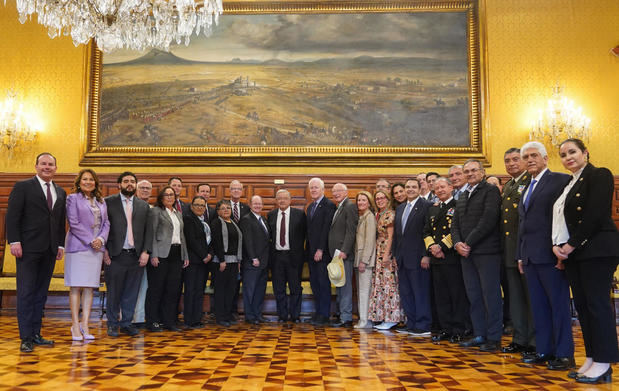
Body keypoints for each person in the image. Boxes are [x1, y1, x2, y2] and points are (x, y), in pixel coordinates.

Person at [553, 138, 619, 383]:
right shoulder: (569, 183)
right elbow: (562, 221)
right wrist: (559, 247)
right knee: (583, 307)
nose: (568, 157)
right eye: (563, 154)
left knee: (598, 307)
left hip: (598, 250)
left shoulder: (599, 174)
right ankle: (592, 357)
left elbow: (595, 214)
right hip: (577, 253)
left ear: (585, 153)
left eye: (572, 152)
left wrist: (570, 245)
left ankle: (604, 361)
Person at [515, 141, 574, 370]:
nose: (530, 160)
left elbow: (565, 217)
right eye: (526, 157)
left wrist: (562, 250)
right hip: (530, 257)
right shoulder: (526, 186)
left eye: (534, 156)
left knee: (558, 306)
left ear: (545, 158)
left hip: (552, 256)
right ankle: (544, 350)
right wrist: (520, 255)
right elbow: (523, 223)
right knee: (538, 307)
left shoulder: (560, 180)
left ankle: (564, 354)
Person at [6, 153, 66, 352]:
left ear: (56, 168)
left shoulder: (60, 191)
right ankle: (25, 338)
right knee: (26, 293)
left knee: (40, 294)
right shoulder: (22, 187)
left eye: (51, 164)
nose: (47, 167)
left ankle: (36, 334)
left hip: (49, 250)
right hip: (28, 249)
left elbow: (59, 221)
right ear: (36, 166)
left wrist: (60, 245)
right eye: (43, 164)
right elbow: (12, 216)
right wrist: (14, 241)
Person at [452, 159, 503, 352]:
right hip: (466, 253)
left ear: (482, 172)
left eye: (474, 170)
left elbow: (489, 219)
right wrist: (457, 243)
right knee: (474, 295)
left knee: (491, 296)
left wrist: (468, 242)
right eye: (467, 171)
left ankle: (494, 337)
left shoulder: (490, 191)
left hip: (486, 251)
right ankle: (479, 333)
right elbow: (455, 223)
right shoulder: (464, 194)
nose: (470, 174)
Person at [64, 169, 110, 341]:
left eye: (91, 179)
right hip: (79, 247)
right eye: (85, 179)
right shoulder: (72, 199)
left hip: (96, 249)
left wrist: (100, 239)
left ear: (95, 182)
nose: (88, 182)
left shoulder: (101, 201)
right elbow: (73, 223)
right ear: (79, 181)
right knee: (76, 286)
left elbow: (106, 223)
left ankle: (85, 324)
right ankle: (75, 325)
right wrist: (91, 240)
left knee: (90, 287)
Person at [104, 172, 151, 337]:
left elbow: (148, 232)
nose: (129, 184)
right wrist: (105, 251)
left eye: (132, 181)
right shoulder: (108, 202)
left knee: (131, 292)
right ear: (119, 184)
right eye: (126, 181)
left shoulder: (144, 206)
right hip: (115, 255)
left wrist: (146, 252)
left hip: (136, 256)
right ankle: (112, 323)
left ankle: (126, 323)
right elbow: (103, 228)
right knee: (114, 292)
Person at [423, 178, 468, 343]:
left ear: (451, 187)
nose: (439, 191)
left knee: (456, 295)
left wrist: (441, 246)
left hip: (451, 257)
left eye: (442, 187)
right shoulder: (433, 209)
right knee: (440, 296)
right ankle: (445, 328)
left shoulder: (458, 206)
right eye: (436, 189)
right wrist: (433, 247)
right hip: (436, 259)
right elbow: (426, 231)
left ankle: (458, 329)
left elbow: (458, 230)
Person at [500, 148, 535, 355]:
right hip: (509, 250)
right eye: (507, 161)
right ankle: (520, 338)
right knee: (515, 298)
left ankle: (533, 341)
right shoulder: (509, 185)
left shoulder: (530, 182)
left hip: (525, 249)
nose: (512, 163)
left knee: (530, 298)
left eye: (516, 159)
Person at [146, 186, 189, 332]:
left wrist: (185, 255)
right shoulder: (156, 211)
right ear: (161, 197)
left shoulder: (178, 213)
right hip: (161, 254)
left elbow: (182, 235)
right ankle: (153, 321)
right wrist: (154, 254)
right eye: (167, 195)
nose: (170, 197)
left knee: (173, 289)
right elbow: (151, 233)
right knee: (157, 289)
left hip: (177, 254)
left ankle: (168, 321)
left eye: (172, 195)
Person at [393, 178, 431, 336]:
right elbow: (397, 234)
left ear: (420, 188)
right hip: (402, 258)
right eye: (407, 187)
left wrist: (425, 255)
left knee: (420, 291)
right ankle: (412, 322)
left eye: (413, 187)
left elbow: (427, 232)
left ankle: (423, 324)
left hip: (418, 258)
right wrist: (395, 254)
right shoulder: (401, 208)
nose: (410, 189)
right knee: (406, 292)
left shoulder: (426, 206)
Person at [268, 190, 307, 322]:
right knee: (279, 288)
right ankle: (282, 315)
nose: (282, 201)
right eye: (279, 199)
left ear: (290, 200)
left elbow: (305, 236)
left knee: (295, 288)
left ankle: (295, 315)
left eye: (285, 198)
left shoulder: (300, 215)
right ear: (276, 201)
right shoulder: (271, 215)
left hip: (294, 257)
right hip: (277, 257)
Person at [368, 190, 403, 329]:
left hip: (386, 251)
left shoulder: (390, 214)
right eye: (377, 198)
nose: (380, 200)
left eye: (383, 198)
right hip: (378, 250)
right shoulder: (378, 214)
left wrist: (387, 254)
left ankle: (392, 318)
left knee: (389, 285)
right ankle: (383, 316)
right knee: (381, 285)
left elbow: (391, 236)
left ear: (388, 199)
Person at [305, 178, 336, 326]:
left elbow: (326, 229)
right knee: (315, 284)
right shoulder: (310, 206)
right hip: (311, 253)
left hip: (322, 253)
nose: (313, 190)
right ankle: (318, 313)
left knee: (323, 284)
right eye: (311, 188)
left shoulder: (329, 205)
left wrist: (320, 249)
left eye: (316, 188)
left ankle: (324, 315)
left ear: (323, 189)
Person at [328, 183, 359, 327]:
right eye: (333, 191)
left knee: (345, 287)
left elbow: (351, 231)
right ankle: (341, 315)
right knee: (339, 285)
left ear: (346, 192)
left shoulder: (350, 207)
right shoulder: (339, 207)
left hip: (343, 254)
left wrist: (345, 250)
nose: (335, 193)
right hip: (337, 254)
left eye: (339, 191)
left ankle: (346, 318)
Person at [182, 196, 213, 329]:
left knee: (199, 290)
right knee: (191, 290)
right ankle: (189, 320)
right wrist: (203, 255)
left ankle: (197, 318)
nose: (200, 207)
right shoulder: (188, 219)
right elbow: (191, 240)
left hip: (204, 262)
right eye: (197, 205)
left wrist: (210, 254)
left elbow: (211, 240)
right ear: (192, 206)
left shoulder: (205, 221)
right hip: (194, 261)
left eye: (202, 205)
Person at [210, 199, 242, 326]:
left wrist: (238, 261)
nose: (226, 210)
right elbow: (216, 242)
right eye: (223, 208)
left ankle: (228, 315)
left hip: (234, 262)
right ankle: (220, 317)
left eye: (228, 208)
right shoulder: (216, 223)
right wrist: (222, 260)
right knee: (221, 290)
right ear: (218, 211)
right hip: (220, 262)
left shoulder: (234, 223)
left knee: (231, 290)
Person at [239, 195, 270, 324]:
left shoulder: (263, 218)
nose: (258, 206)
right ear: (250, 205)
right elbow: (247, 241)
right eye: (255, 203)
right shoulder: (246, 219)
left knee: (259, 290)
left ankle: (258, 314)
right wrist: (253, 257)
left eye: (260, 203)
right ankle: (250, 316)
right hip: (253, 262)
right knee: (250, 290)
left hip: (264, 262)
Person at [353, 191, 376, 329]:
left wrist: (364, 261)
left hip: (365, 261)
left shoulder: (370, 217)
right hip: (358, 259)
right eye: (359, 200)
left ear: (369, 202)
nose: (360, 202)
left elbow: (369, 241)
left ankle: (365, 321)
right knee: (360, 290)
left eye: (363, 200)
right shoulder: (362, 217)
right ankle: (362, 319)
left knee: (364, 291)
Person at [132, 179, 153, 328]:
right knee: (131, 287)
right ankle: (129, 318)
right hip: (131, 252)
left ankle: (140, 318)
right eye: (142, 188)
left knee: (144, 286)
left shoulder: (153, 208)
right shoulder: (129, 205)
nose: (145, 190)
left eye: (148, 188)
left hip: (150, 254)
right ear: (136, 190)